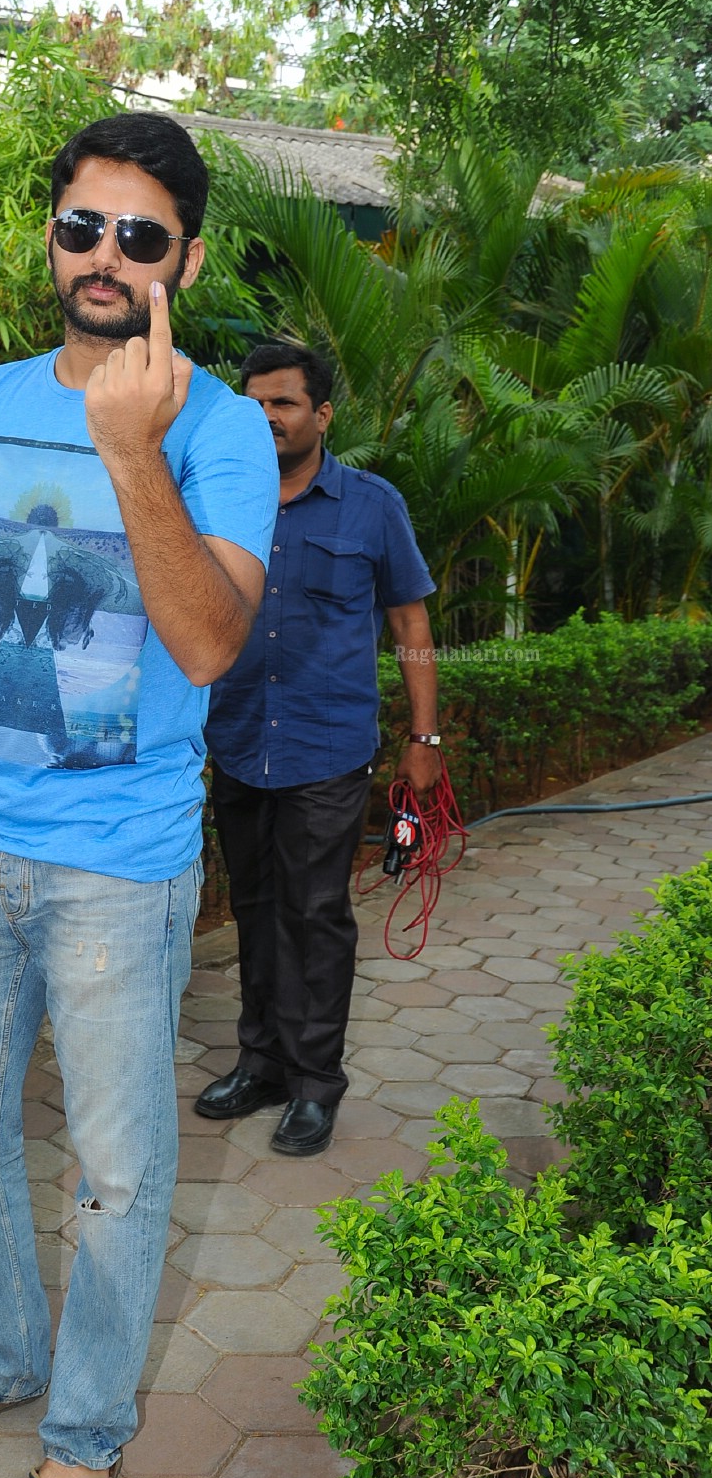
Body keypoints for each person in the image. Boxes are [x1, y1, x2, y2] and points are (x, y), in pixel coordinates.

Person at [0, 114, 277, 1478]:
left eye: (139, 236)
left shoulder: (218, 428)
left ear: (186, 257)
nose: (103, 258)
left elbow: (210, 639)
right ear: (50, 236)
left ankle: (84, 1431)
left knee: (115, 1168)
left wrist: (127, 448)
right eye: (80, 227)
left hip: (121, 863)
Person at [194, 342, 440, 1155]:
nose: (266, 418)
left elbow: (409, 624)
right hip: (234, 740)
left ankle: (313, 1085)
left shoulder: (370, 506)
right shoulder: (219, 500)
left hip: (325, 747)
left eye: (283, 404)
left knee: (316, 914)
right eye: (253, 403)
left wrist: (423, 739)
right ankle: (259, 1064)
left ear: (322, 414)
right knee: (255, 911)